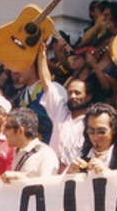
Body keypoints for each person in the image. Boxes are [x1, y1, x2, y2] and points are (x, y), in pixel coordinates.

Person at [37, 41, 91, 171]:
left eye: (78, 93)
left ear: (88, 97)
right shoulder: (60, 110)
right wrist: (41, 55)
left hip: (78, 174)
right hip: (54, 172)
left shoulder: (92, 120)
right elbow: (46, 82)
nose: (72, 96)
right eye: (70, 92)